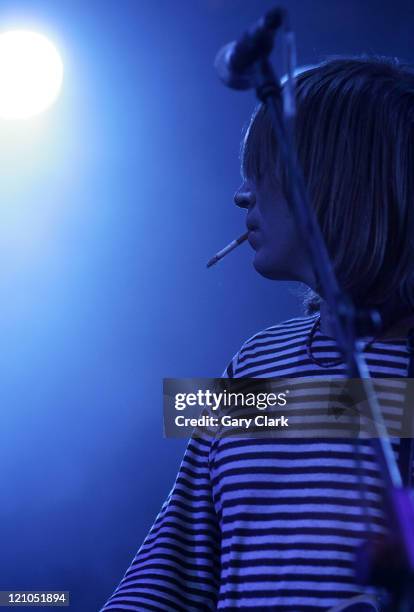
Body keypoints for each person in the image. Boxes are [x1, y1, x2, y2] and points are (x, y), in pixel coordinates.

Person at [101, 56, 414, 611]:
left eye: (264, 170)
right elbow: (174, 562)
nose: (242, 196)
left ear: (335, 182)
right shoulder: (253, 363)